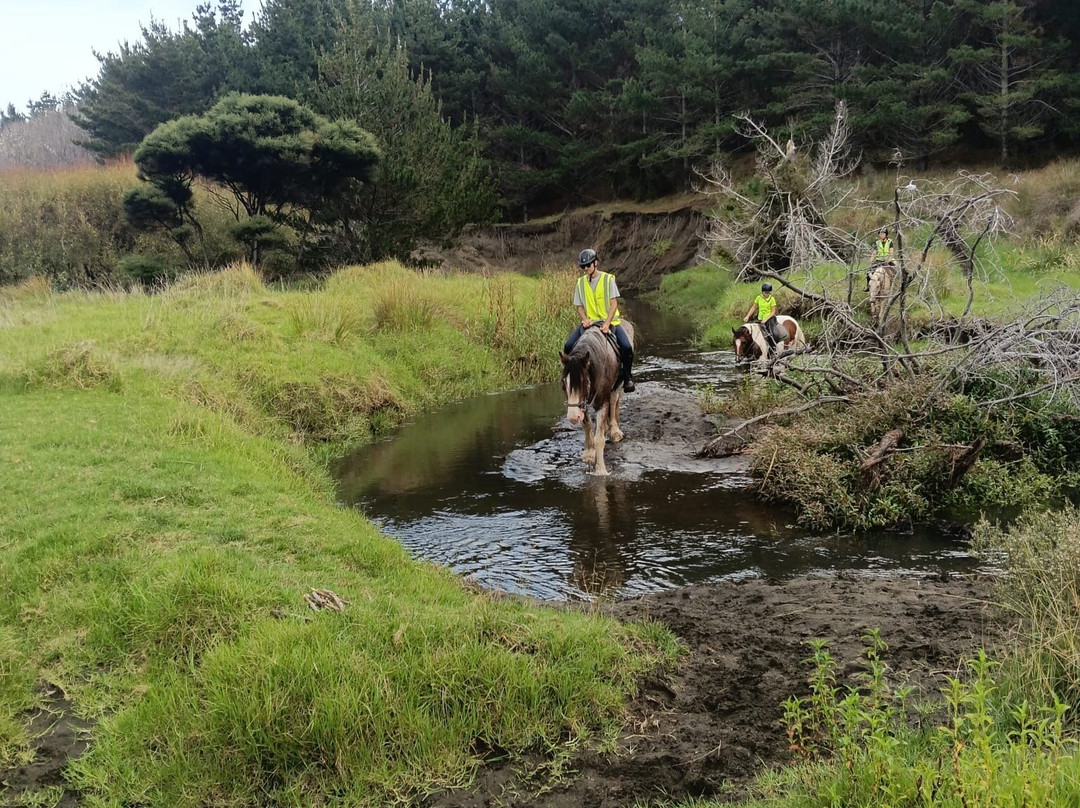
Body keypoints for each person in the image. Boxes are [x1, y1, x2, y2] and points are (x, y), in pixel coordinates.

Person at [563, 248, 635, 392]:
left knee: (627, 347)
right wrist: (584, 319)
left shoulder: (608, 279)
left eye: (588, 265)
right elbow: (579, 306)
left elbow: (614, 304)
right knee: (568, 347)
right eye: (583, 266)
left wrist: (607, 323)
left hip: (609, 322)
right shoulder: (580, 283)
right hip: (590, 323)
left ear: (596, 263)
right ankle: (572, 379)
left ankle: (627, 378)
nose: (585, 268)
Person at [744, 282, 787, 350]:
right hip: (760, 318)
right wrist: (747, 316)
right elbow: (753, 307)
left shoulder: (772, 299)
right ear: (762, 292)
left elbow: (773, 311)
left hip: (769, 318)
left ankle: (773, 347)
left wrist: (766, 319)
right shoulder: (758, 298)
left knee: (772, 333)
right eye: (765, 292)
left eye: (768, 293)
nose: (766, 294)